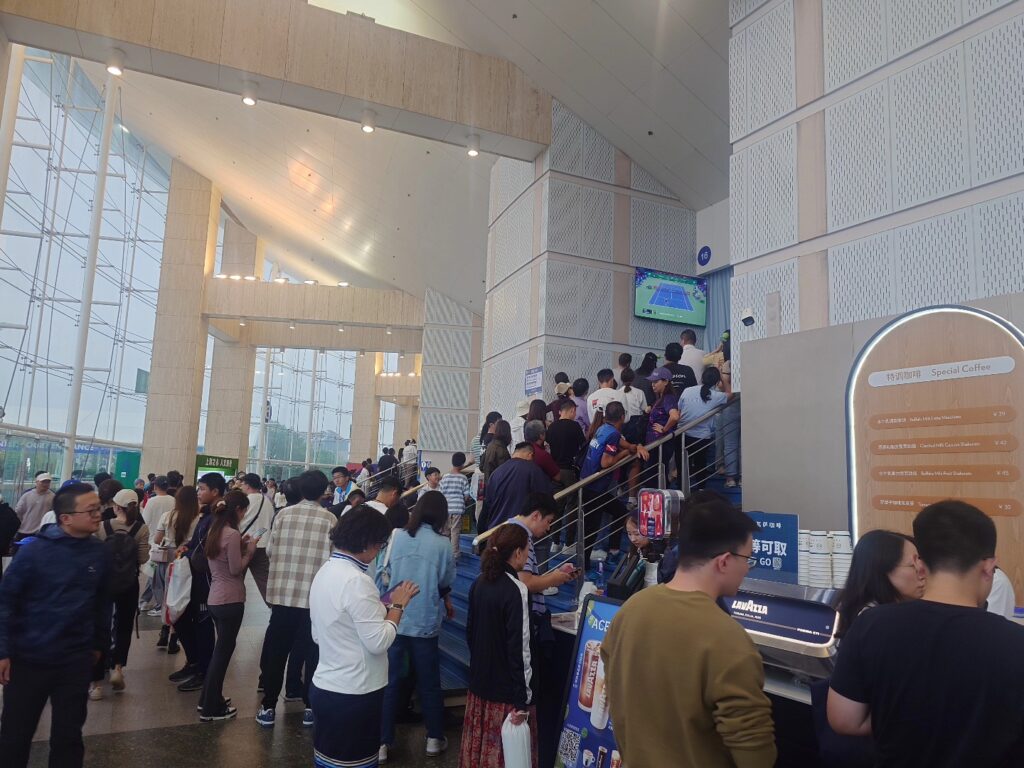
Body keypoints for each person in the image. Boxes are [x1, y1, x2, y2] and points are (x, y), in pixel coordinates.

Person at [828, 500, 1024, 766]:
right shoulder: (1015, 643)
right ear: (989, 567)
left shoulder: (871, 625)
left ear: (920, 566)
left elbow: (843, 719)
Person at [602, 498, 775, 768]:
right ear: (724, 562)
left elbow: (613, 689)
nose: (747, 568)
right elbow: (754, 752)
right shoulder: (728, 638)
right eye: (747, 559)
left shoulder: (630, 610)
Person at [0, 483, 111, 768]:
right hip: (29, 660)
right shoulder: (33, 552)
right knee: (15, 736)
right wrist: (3, 651)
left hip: (75, 660)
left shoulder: (99, 552)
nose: (98, 515)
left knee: (69, 737)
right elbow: (6, 602)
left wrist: (99, 644)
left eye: (98, 508)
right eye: (91, 510)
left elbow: (102, 602)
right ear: (66, 518)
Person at [309, 506, 420, 768]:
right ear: (368, 542)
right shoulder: (357, 581)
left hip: (326, 686)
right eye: (380, 544)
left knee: (328, 761)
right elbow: (378, 642)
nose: (380, 550)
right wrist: (398, 606)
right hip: (355, 692)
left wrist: (378, 609)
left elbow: (318, 634)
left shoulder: (326, 571)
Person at [378, 492, 456, 762]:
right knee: (429, 683)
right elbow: (445, 581)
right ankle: (434, 738)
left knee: (389, 682)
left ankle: (382, 742)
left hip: (396, 618)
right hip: (425, 621)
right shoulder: (443, 544)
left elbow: (385, 571)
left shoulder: (397, 535)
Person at [257, 469, 336, 729]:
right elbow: (333, 558)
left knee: (276, 652)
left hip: (282, 596)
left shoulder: (283, 515)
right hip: (314, 600)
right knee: (312, 653)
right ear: (324, 492)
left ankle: (268, 706)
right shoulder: (330, 519)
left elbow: (270, 550)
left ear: (300, 489)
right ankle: (310, 708)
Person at [460, 523, 537, 768]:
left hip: (479, 686)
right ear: (517, 552)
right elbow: (520, 649)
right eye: (527, 550)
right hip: (505, 695)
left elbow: (470, 633)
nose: (528, 555)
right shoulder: (517, 591)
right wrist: (522, 701)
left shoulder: (479, 582)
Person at [509, 493, 577, 768]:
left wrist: (553, 575)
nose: (548, 528)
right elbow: (525, 582)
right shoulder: (521, 537)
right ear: (535, 515)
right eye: (548, 521)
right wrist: (555, 578)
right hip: (528, 621)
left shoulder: (512, 530)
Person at [199, 490, 256, 721]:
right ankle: (212, 708)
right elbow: (235, 569)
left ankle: (206, 699)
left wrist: (239, 545)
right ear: (239, 510)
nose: (244, 515)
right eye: (244, 511)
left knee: (219, 653)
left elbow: (221, 561)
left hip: (215, 598)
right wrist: (249, 552)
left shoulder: (215, 530)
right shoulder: (232, 534)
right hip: (231, 599)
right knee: (222, 655)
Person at [90, 488, 150, 700]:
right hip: (129, 583)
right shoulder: (141, 529)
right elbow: (143, 558)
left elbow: (95, 554)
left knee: (101, 627)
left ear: (116, 507)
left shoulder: (103, 526)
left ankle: (96, 684)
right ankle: (117, 668)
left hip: (103, 583)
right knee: (123, 627)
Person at [169, 474, 223, 693]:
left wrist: (191, 552)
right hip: (192, 573)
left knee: (202, 624)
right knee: (182, 618)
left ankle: (204, 670)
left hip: (205, 578)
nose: (198, 492)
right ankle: (193, 661)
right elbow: (198, 541)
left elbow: (211, 547)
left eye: (202, 489)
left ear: (215, 491)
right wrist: (188, 548)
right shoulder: (206, 514)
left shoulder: (219, 517)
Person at [579, 401, 648, 565]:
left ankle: (612, 548)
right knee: (591, 528)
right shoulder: (613, 434)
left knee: (619, 512)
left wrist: (634, 447)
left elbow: (621, 442)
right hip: (594, 488)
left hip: (588, 484)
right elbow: (606, 462)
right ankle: (585, 563)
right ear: (622, 417)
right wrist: (625, 453)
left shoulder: (603, 428)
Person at [834, 530, 924, 640]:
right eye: (913, 565)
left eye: (921, 561)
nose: (923, 573)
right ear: (882, 571)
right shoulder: (875, 621)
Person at [678, 366, 733, 490]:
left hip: (683, 434)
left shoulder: (687, 390)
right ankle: (701, 488)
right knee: (700, 463)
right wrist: (723, 378)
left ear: (702, 378)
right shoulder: (715, 396)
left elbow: (679, 410)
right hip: (701, 437)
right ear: (716, 381)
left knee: (682, 463)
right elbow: (731, 395)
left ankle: (682, 488)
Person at [546, 399, 587, 555]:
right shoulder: (575, 427)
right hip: (569, 470)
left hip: (554, 471)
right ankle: (568, 544)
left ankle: (555, 542)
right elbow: (583, 447)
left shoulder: (552, 427)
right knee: (572, 506)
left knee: (557, 506)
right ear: (571, 411)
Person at [481, 442, 551, 530]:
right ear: (530, 454)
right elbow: (546, 498)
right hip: (520, 530)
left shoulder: (496, 473)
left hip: (496, 530)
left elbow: (487, 505)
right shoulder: (534, 470)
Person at [140, 475, 175, 615]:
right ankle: (147, 600)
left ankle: (154, 603)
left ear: (155, 486)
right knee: (156, 573)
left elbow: (145, 521)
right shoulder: (173, 500)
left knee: (153, 573)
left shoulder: (152, 501)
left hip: (154, 542)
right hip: (168, 542)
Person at [644, 366, 679, 487]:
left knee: (655, 477)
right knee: (654, 476)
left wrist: (664, 429)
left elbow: (674, 416)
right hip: (655, 444)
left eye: (656, 381)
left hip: (660, 444)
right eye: (652, 382)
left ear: (666, 382)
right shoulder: (661, 397)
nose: (653, 385)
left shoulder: (668, 398)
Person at [439, 453, 471, 560]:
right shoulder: (463, 478)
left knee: (445, 532)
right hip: (458, 508)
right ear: (462, 464)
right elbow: (466, 495)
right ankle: (454, 555)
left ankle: (445, 553)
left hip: (446, 509)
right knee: (455, 531)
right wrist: (462, 501)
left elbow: (441, 493)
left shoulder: (445, 477)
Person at [13, 470, 54, 539]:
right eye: (43, 482)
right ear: (37, 482)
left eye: (48, 482)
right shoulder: (27, 495)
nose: (45, 484)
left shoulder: (53, 497)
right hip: (24, 530)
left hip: (41, 533)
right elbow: (18, 512)